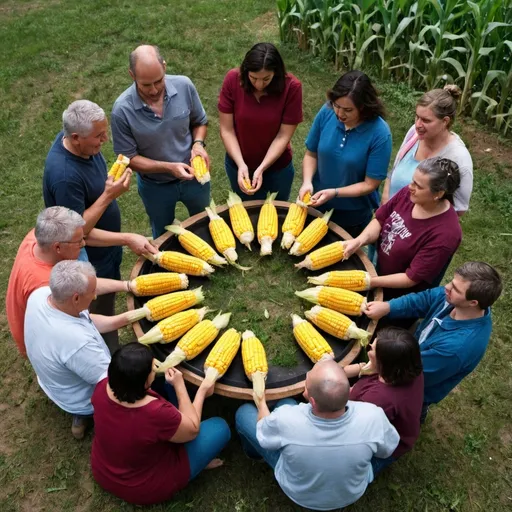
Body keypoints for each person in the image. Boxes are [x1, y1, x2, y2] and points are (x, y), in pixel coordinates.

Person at [235, 359, 399, 510]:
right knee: (287, 403)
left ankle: (254, 455)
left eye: (306, 385)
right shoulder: (373, 415)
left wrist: (261, 403)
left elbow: (263, 434)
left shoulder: (286, 418)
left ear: (312, 401)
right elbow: (387, 450)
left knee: (244, 414)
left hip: (298, 493)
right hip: (351, 492)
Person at [43, 100, 135, 352]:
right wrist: (108, 196)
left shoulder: (82, 147)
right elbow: (79, 232)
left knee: (109, 295)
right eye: (98, 136)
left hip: (108, 249)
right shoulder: (64, 177)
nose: (105, 140)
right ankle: (106, 354)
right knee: (95, 307)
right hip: (89, 257)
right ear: (75, 138)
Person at [91, 343, 230, 506]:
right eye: (152, 368)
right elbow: (192, 429)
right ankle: (197, 464)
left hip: (103, 470)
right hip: (143, 486)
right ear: (143, 383)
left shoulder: (102, 387)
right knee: (220, 428)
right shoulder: (156, 413)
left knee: (164, 386)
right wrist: (198, 391)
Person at [6, 206, 155, 356]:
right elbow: (83, 321)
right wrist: (130, 317)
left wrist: (127, 285)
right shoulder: (49, 288)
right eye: (78, 242)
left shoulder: (38, 238)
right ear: (58, 247)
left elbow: (85, 283)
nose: (84, 244)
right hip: (41, 336)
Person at [364, 262, 503, 421]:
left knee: (395, 415)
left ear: (473, 303)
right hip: (415, 354)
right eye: (452, 281)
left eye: (456, 289)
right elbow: (424, 299)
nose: (447, 287)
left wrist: (373, 367)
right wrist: (388, 307)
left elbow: (411, 374)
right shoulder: (453, 299)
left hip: (414, 389)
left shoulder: (455, 349)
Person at [24, 260, 136, 439]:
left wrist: (126, 318)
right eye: (92, 292)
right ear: (76, 298)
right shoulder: (79, 345)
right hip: (81, 399)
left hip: (53, 382)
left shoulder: (41, 295)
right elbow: (112, 384)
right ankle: (84, 414)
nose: (95, 297)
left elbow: (87, 320)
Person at [111, 44, 210, 239]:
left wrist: (198, 144)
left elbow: (200, 121)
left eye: (158, 81)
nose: (154, 89)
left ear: (164, 67)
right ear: (132, 75)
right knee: (163, 235)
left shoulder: (184, 86)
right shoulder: (121, 111)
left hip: (195, 179)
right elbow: (128, 158)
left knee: (204, 223)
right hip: (155, 186)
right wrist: (168, 167)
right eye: (146, 85)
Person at [343, 157, 462, 300]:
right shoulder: (409, 194)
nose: (411, 187)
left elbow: (410, 278)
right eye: (413, 181)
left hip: (400, 299)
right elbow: (380, 219)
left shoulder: (445, 235)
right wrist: (359, 241)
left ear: (438, 194)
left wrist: (369, 281)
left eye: (418, 186)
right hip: (379, 271)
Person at [299, 70, 392, 237]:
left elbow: (370, 184)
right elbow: (311, 154)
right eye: (337, 105)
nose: (340, 114)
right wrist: (307, 182)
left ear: (364, 106)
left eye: (348, 110)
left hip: (351, 214)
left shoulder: (380, 133)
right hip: (315, 202)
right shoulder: (327, 111)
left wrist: (335, 192)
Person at [218, 42, 303, 201]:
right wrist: (241, 165)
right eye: (253, 78)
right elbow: (227, 130)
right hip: (238, 163)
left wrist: (261, 168)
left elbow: (283, 136)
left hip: (278, 169)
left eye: (266, 79)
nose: (259, 84)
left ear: (276, 73)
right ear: (245, 72)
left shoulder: (292, 87)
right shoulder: (232, 79)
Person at [382, 85, 473, 215]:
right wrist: (385, 208)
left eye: (426, 120)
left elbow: (459, 208)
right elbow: (394, 171)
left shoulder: (458, 158)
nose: (418, 125)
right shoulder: (414, 133)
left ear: (445, 121)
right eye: (417, 117)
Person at [345, 327, 424, 473]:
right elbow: (367, 368)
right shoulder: (406, 367)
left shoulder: (377, 400)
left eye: (372, 349)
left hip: (390, 445)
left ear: (384, 363)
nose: (368, 349)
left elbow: (348, 423)